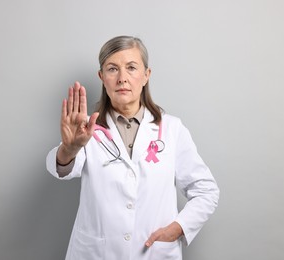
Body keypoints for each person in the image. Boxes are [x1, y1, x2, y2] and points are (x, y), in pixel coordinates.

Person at [46, 35, 219, 260]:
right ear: (101, 77)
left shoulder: (172, 129)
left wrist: (179, 227)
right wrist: (69, 149)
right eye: (112, 69)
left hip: (153, 252)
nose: (122, 78)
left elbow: (206, 190)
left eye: (131, 68)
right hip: (97, 253)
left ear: (146, 75)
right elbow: (64, 169)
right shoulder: (87, 130)